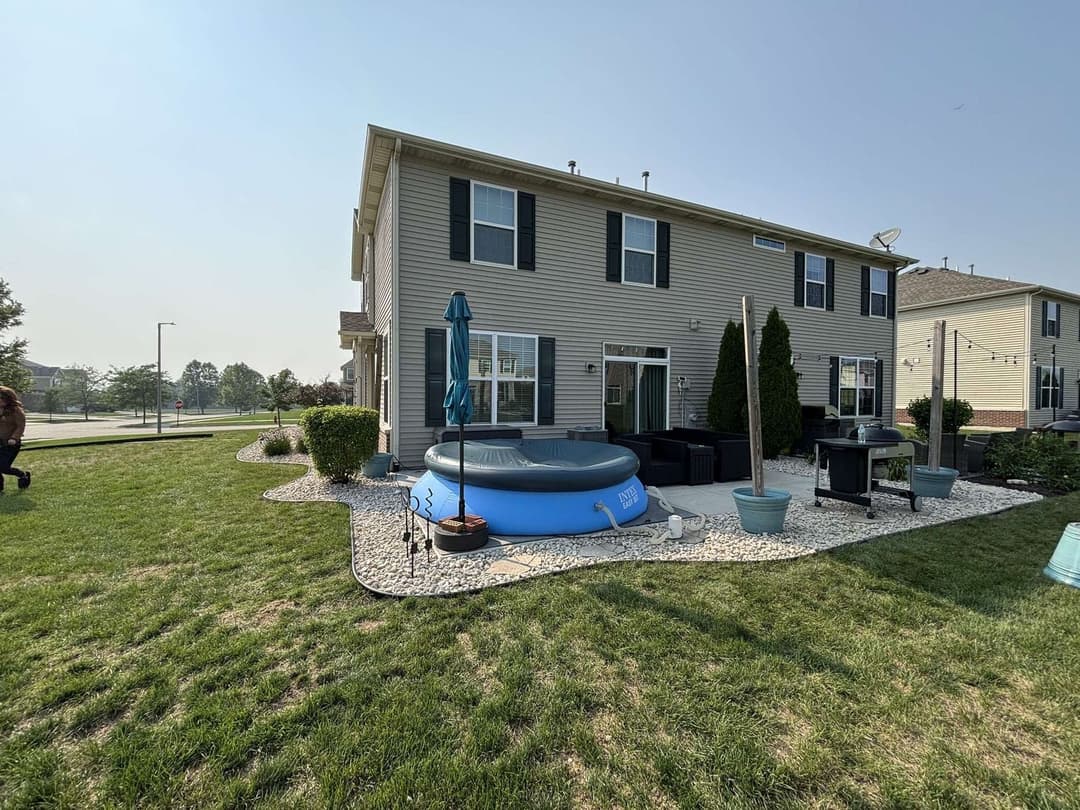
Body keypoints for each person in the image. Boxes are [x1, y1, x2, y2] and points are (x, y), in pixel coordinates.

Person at [0, 386, 30, 494]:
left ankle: (23, 475)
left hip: (11, 444)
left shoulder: (16, 410)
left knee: (2, 466)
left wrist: (14, 438)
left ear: (7, 398)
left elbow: (20, 426)